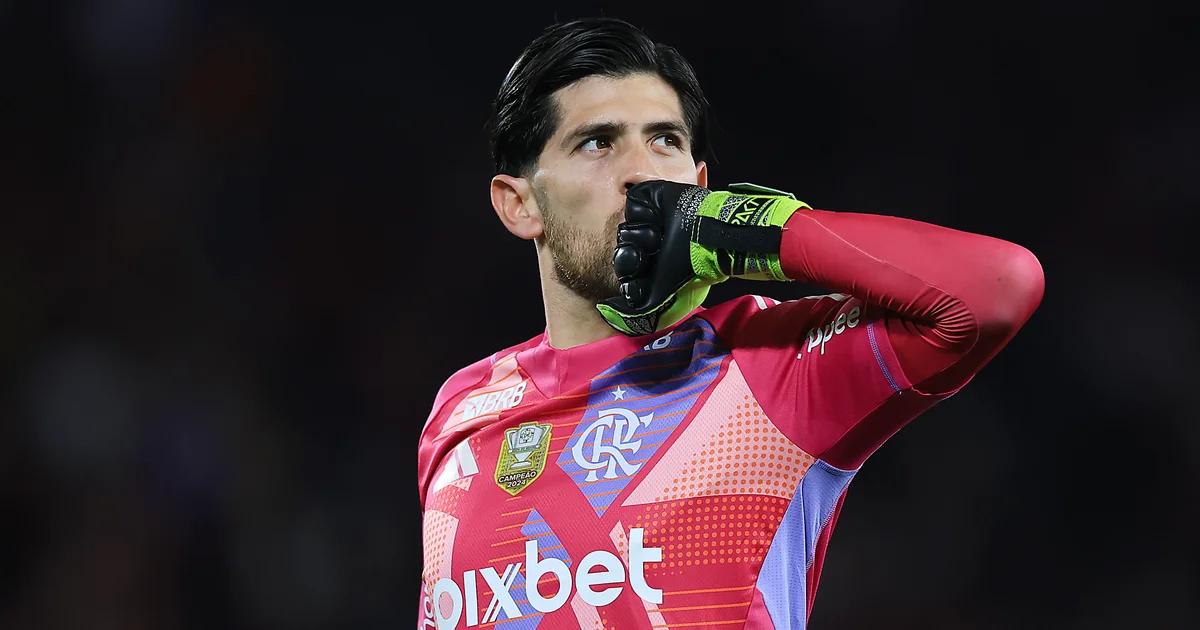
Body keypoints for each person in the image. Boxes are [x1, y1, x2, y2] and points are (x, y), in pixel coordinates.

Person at [416, 16, 1044, 630]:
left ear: (700, 185)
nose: (642, 171)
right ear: (520, 203)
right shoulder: (461, 410)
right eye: (597, 143)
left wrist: (761, 231)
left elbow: (995, 289)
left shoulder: (774, 364)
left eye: (666, 141)